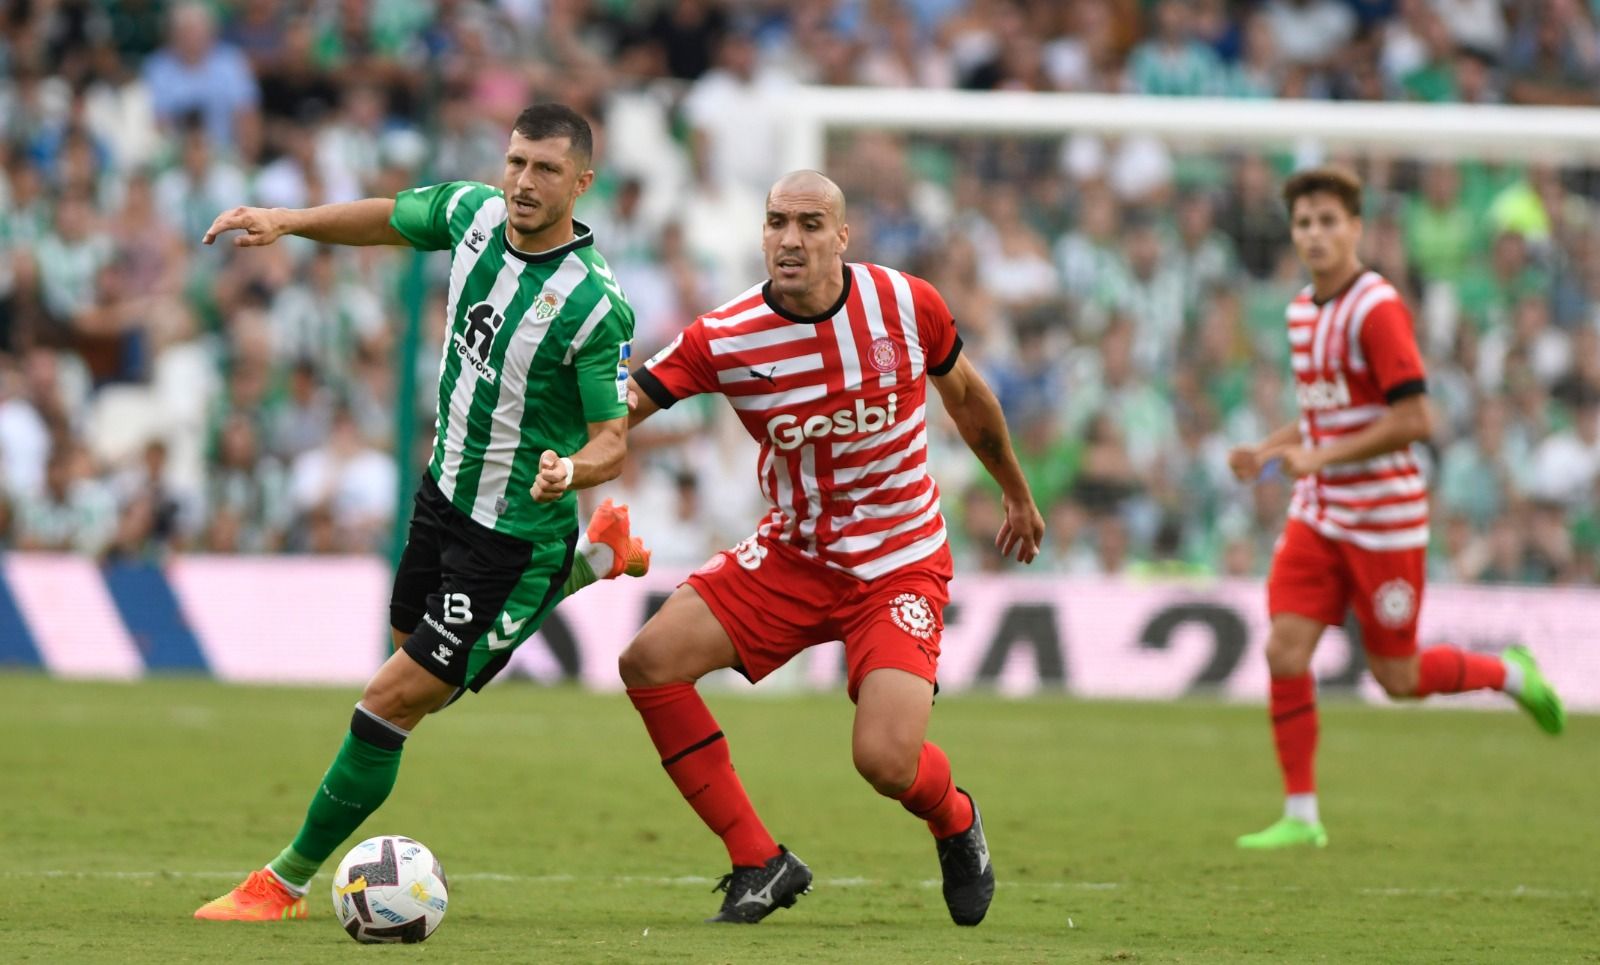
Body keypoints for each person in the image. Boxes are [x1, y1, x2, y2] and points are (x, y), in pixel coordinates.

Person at [193, 103, 651, 922]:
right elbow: (388, 220)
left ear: (582, 183)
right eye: (515, 162)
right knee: (415, 664)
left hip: (513, 535)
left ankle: (284, 881)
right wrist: (286, 221)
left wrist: (571, 471)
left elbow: (613, 439)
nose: (522, 182)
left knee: (391, 699)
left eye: (545, 169)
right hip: (442, 497)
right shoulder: (473, 215)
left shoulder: (596, 306)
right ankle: (599, 563)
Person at [615, 170, 1045, 926]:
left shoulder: (906, 304)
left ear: (843, 236)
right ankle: (759, 858)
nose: (790, 238)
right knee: (649, 663)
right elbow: (629, 405)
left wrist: (1014, 488)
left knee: (885, 761)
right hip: (794, 553)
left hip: (898, 559)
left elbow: (969, 397)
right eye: (777, 221)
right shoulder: (727, 336)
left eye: (811, 224)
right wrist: (560, 447)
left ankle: (954, 818)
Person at [1227, 166, 1565, 851]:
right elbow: (1326, 418)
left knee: (1398, 676)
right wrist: (1268, 448)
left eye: (1328, 221)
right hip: (1320, 515)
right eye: (1304, 223)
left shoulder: (1377, 308)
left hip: (1385, 521)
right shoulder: (1300, 312)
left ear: (1356, 227)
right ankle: (1302, 813)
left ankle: (1510, 672)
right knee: (1283, 647)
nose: (1315, 235)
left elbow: (1414, 417)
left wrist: (1319, 457)